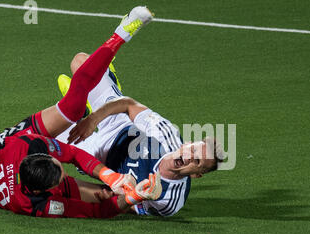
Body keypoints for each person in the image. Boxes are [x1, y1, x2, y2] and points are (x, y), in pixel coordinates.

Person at [0, 6, 161, 219]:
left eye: (59, 166)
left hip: (5, 147)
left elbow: (73, 154)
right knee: (106, 196)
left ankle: (122, 31)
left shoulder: (30, 145)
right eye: (60, 178)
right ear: (44, 191)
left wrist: (111, 176)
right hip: (17, 173)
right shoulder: (37, 205)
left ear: (43, 155)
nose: (64, 175)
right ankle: (94, 98)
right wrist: (132, 198)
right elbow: (95, 212)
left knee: (72, 109)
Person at [55, 54, 225, 217]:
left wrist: (131, 196)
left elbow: (128, 207)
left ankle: (79, 111)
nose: (189, 157)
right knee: (81, 62)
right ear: (186, 144)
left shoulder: (169, 201)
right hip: (120, 125)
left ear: (196, 174)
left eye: (196, 161)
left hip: (100, 159)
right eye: (193, 150)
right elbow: (129, 105)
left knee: (40, 141)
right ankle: (88, 109)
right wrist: (94, 119)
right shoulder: (165, 134)